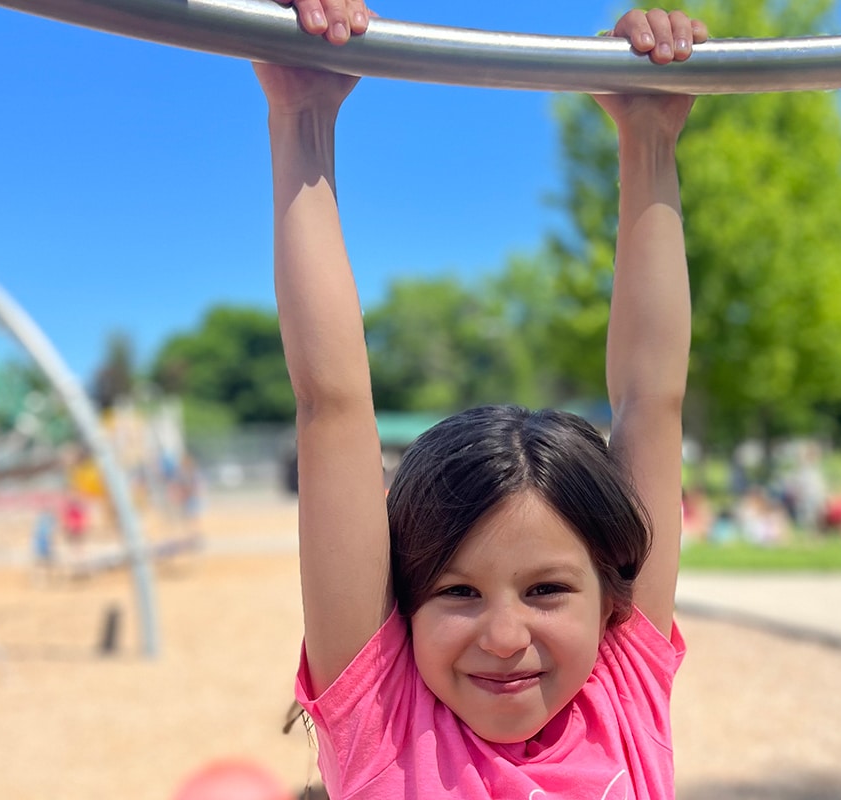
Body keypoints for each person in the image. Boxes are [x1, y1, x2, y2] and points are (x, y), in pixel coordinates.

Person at [257, 2, 707, 796]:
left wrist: (650, 138)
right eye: (457, 592)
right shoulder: (387, 726)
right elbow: (331, 404)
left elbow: (652, 398)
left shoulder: (621, 691)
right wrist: (301, 112)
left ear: (612, 601)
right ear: (405, 601)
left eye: (547, 590)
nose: (505, 637)